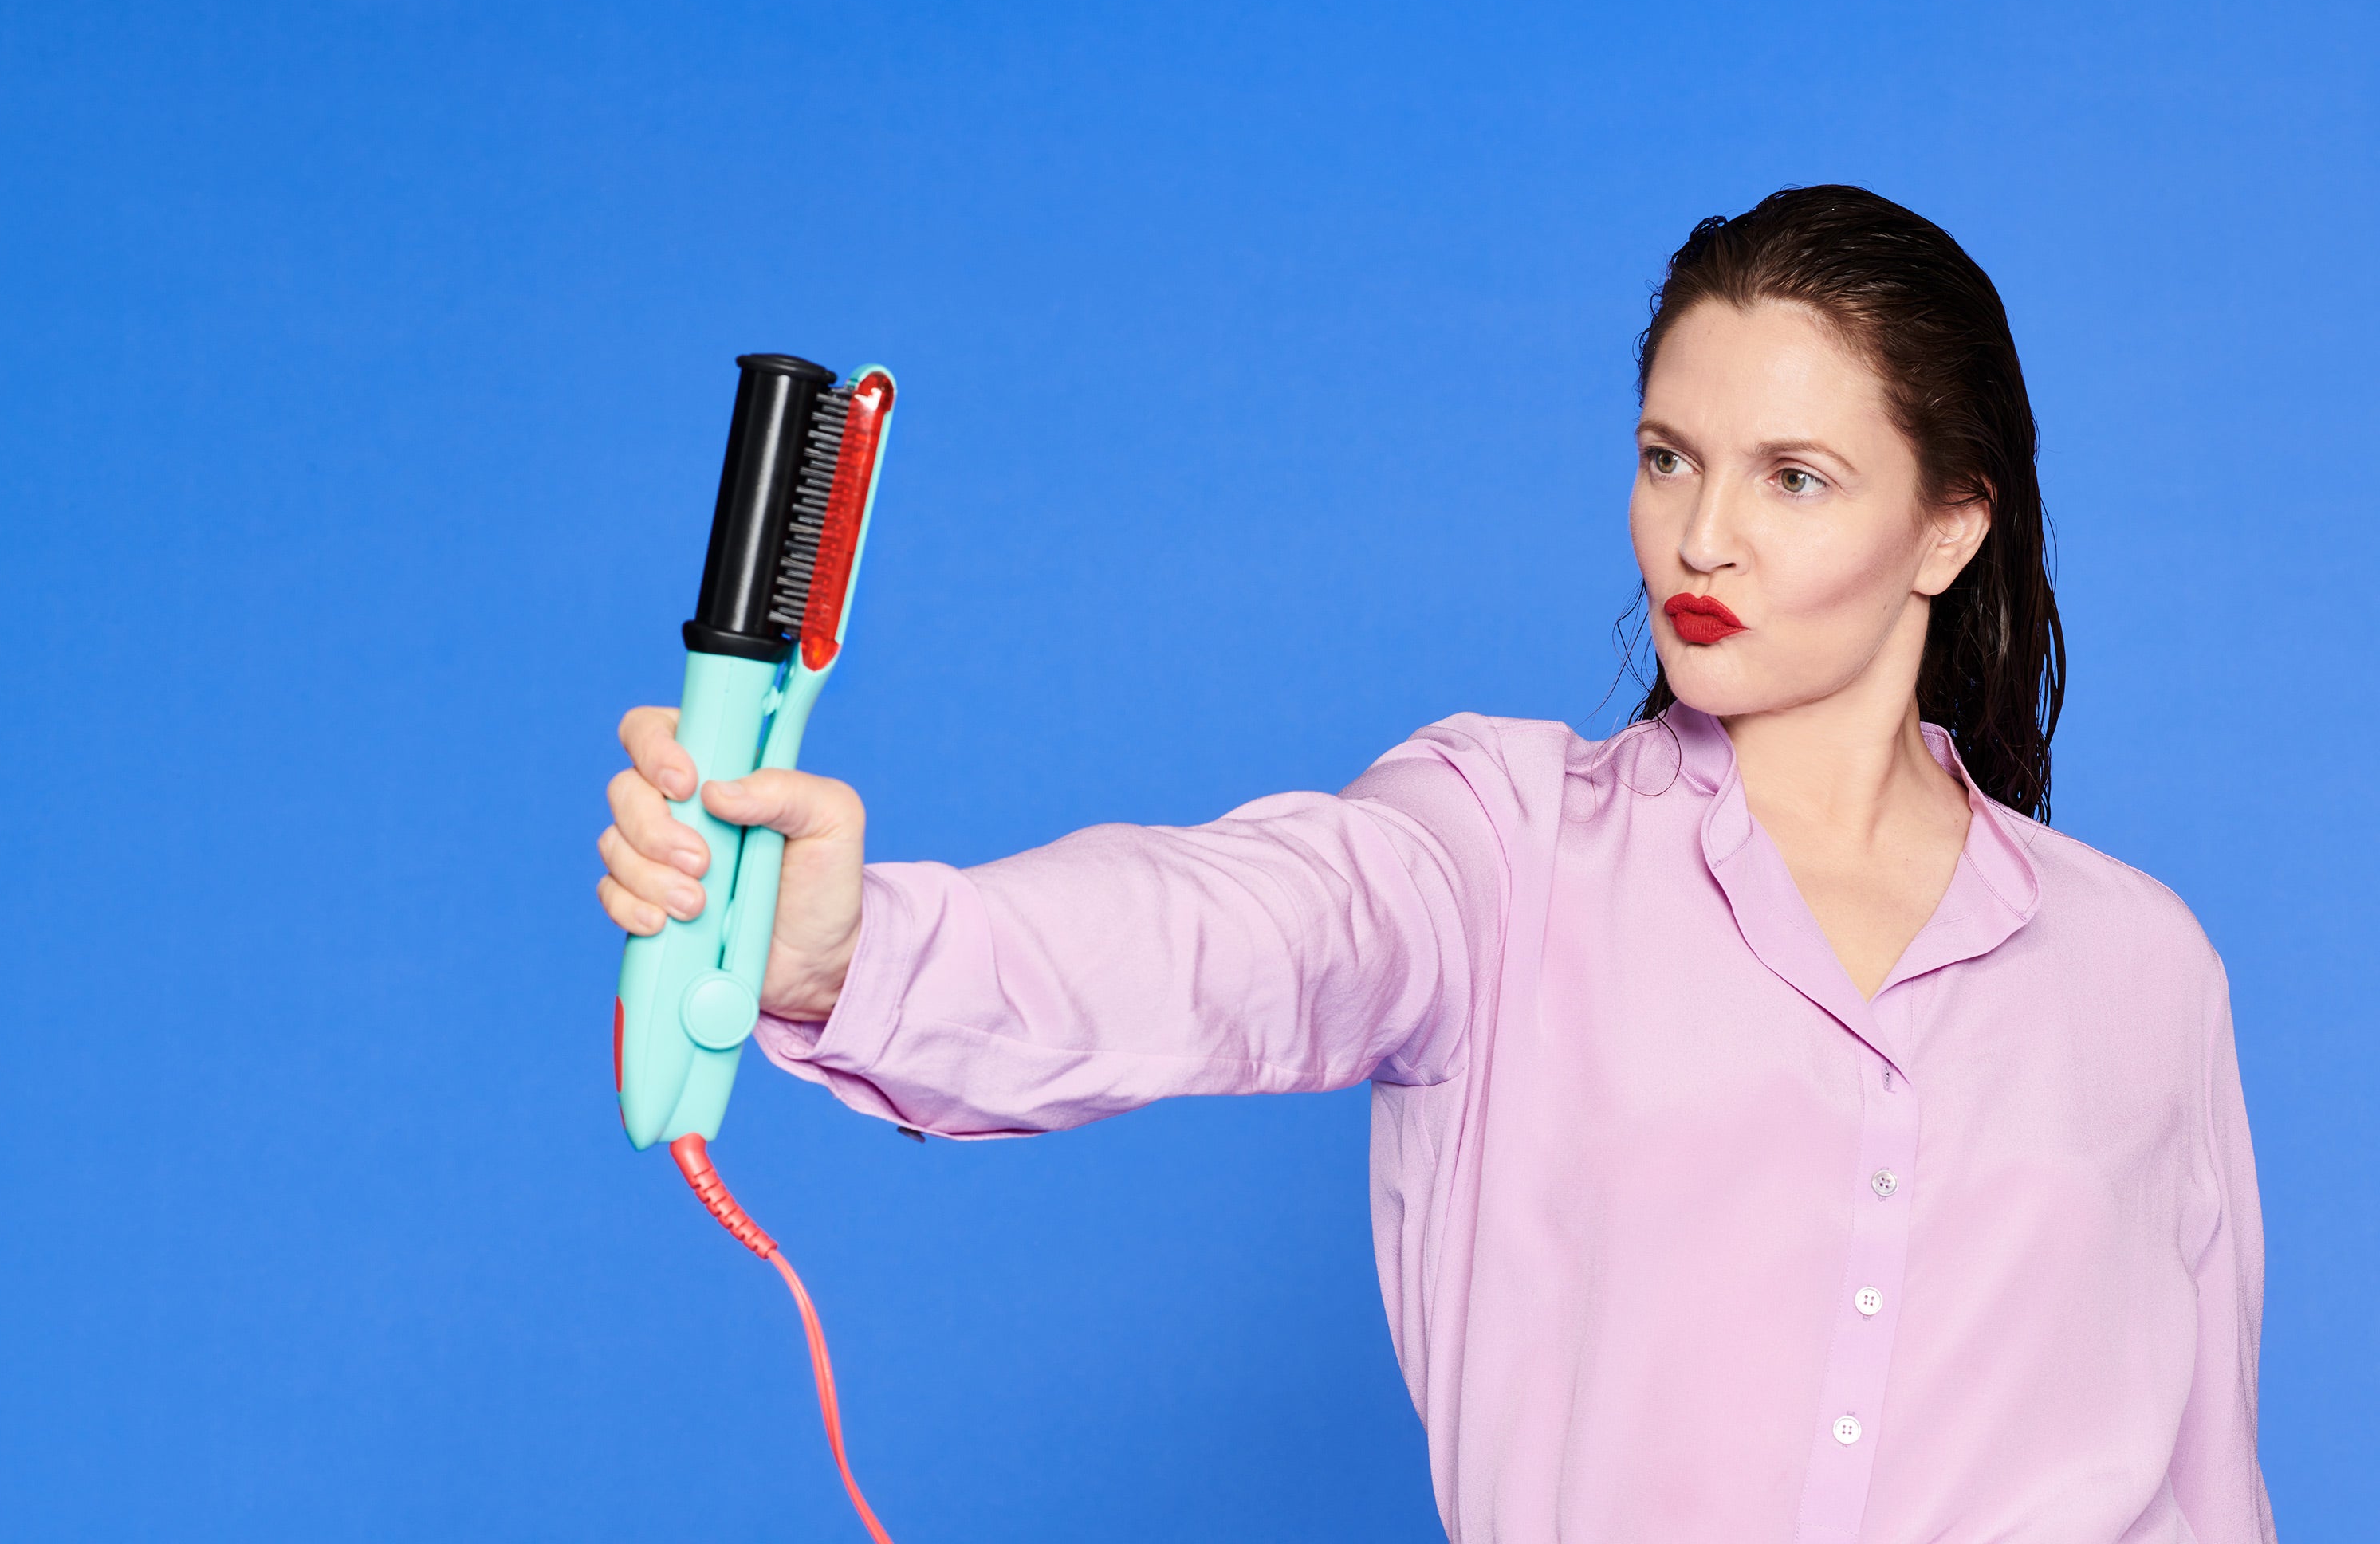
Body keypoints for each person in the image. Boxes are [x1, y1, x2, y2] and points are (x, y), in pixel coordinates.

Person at [595, 186, 2273, 1542]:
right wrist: (850, 949)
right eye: (1667, 455)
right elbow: (1226, 933)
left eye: (1797, 478)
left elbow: (2209, 1483)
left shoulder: (2139, 967)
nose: (1703, 537)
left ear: (1950, 527)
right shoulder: (1502, 850)